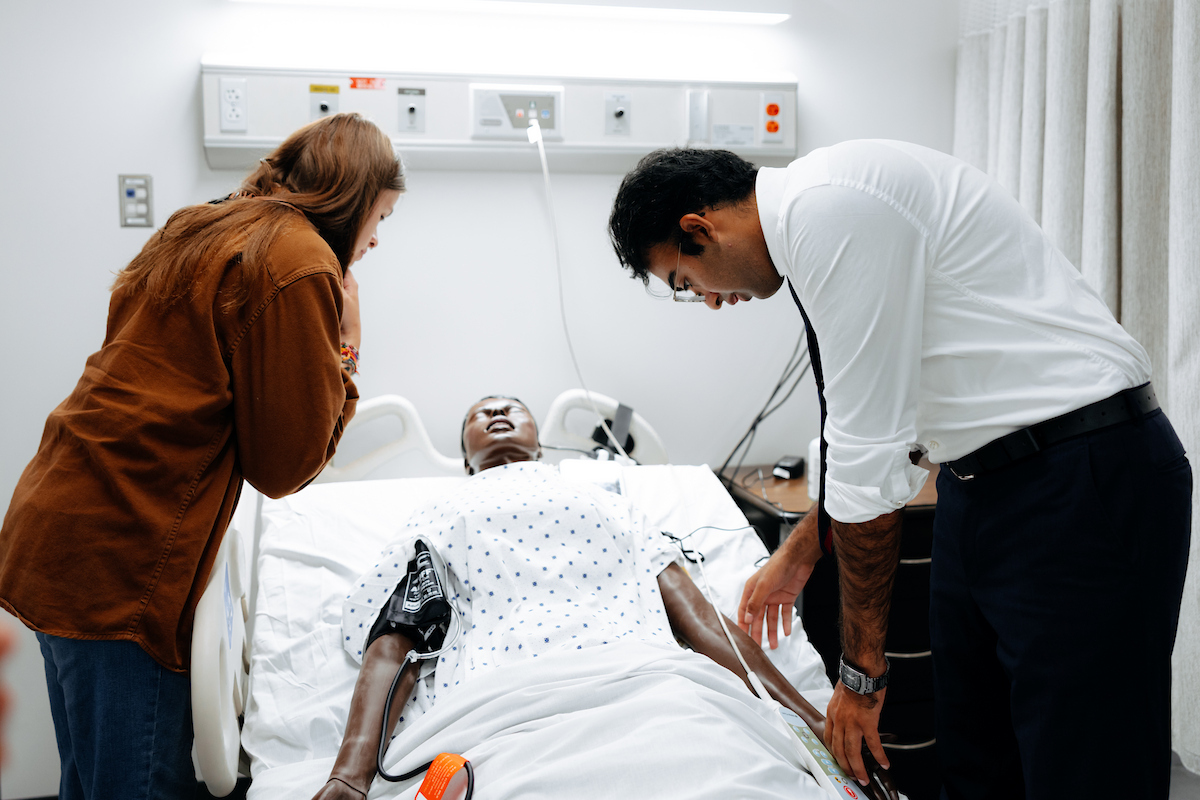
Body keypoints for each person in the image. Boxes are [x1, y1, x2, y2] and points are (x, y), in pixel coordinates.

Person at [606, 142, 1192, 799]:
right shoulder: (815, 222)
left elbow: (865, 451)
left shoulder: (829, 211)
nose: (711, 302)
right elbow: (882, 416)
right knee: (975, 756)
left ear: (699, 229)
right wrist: (802, 549)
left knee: (1084, 762)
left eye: (687, 284)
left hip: (1083, 477)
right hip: (982, 488)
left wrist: (860, 678)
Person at [0, 112, 404, 800]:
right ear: (355, 199)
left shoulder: (200, 224)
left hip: (54, 525)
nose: (375, 241)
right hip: (121, 560)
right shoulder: (301, 259)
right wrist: (347, 344)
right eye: (382, 218)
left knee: (88, 781)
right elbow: (284, 467)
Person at [313, 396, 897, 800]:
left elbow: (701, 621)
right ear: (465, 457)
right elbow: (394, 640)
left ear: (539, 443)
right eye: (478, 413)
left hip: (654, 691)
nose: (494, 412)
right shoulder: (440, 515)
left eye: (510, 407)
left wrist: (810, 719)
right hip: (503, 712)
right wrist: (350, 776)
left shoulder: (613, 504)